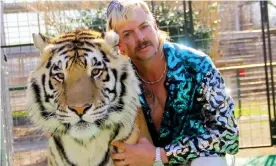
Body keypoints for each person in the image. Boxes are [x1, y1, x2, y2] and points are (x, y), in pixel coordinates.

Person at [106, 0, 239, 166]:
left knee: (208, 163)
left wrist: (160, 155)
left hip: (195, 161)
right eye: (128, 34)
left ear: (155, 26)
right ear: (119, 46)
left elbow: (228, 136)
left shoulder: (198, 66)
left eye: (144, 26)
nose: (140, 37)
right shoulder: (118, 82)